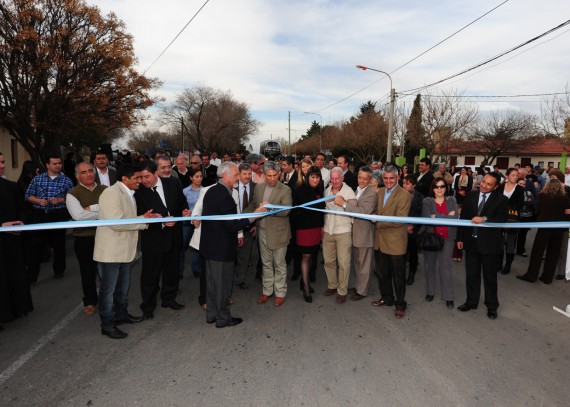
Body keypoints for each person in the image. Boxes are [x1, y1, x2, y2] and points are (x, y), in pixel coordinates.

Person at [94, 164, 158, 339]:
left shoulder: (130, 194)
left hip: (125, 251)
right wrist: (144, 221)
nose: (141, 181)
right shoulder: (110, 193)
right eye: (137, 178)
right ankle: (107, 324)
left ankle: (121, 315)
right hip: (111, 252)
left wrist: (144, 217)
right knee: (108, 290)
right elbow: (116, 222)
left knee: (122, 288)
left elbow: (127, 219)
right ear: (124, 179)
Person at [200, 162, 264, 327]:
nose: (238, 178)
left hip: (210, 247)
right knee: (222, 285)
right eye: (235, 175)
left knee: (213, 284)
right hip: (221, 249)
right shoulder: (224, 195)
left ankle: (212, 314)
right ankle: (223, 318)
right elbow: (233, 224)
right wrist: (254, 216)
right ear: (225, 175)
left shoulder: (212, 191)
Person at [134, 160, 190, 319]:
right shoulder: (138, 192)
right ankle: (147, 307)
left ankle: (169, 298)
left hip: (174, 236)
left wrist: (185, 211)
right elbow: (140, 216)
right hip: (153, 239)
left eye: (147, 176)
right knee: (150, 275)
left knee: (172, 271)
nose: (144, 180)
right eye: (141, 177)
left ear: (156, 173)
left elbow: (181, 202)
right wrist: (160, 222)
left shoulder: (173, 182)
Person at [456, 173, 508, 320]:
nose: (484, 185)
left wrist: (484, 219)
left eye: (489, 184)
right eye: (483, 181)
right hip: (471, 242)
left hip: (490, 245)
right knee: (471, 275)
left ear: (496, 186)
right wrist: (460, 238)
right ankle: (471, 301)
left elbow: (501, 219)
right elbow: (463, 218)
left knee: (490, 277)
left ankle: (492, 306)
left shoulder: (501, 200)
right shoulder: (471, 196)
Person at [246, 161, 292, 306]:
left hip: (279, 233)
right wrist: (241, 215)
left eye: (275, 175)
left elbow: (286, 210)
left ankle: (280, 292)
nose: (272, 178)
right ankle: (267, 291)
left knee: (279, 264)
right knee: (266, 263)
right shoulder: (259, 188)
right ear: (264, 175)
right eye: (269, 176)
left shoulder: (285, 190)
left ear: (279, 174)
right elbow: (254, 205)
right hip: (262, 231)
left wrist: (269, 208)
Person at [66, 163, 107, 316]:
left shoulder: (105, 190)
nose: (89, 174)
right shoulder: (72, 193)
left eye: (91, 171)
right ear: (77, 176)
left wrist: (92, 208)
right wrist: (102, 210)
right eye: (84, 172)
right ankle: (90, 301)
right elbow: (79, 216)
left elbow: (113, 209)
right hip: (84, 239)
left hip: (105, 237)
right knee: (87, 273)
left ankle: (108, 300)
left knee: (106, 272)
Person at [25, 153, 73, 282]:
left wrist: (60, 200)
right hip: (40, 215)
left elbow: (72, 198)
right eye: (55, 163)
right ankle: (31, 276)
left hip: (58, 214)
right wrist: (39, 201)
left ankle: (59, 271)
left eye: (59, 163)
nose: (58, 166)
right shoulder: (37, 179)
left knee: (59, 245)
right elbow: (28, 195)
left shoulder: (66, 181)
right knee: (36, 246)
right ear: (47, 165)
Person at [371, 165, 411, 319]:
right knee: (382, 273)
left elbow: (400, 220)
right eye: (385, 178)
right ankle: (387, 298)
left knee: (398, 277)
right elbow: (377, 211)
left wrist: (377, 221)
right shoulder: (379, 192)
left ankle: (400, 304)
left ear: (397, 177)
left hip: (396, 243)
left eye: (391, 178)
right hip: (380, 241)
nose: (388, 181)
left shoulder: (404, 195)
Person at [0, 152, 33, 326]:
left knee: (15, 274)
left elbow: (22, 209)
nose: (2, 166)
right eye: (0, 163)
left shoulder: (10, 186)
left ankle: (18, 307)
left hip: (12, 241)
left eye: (3, 161)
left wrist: (21, 223)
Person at [335, 166, 377, 301]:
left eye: (365, 178)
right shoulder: (357, 190)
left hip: (365, 234)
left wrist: (344, 205)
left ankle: (363, 291)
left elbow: (364, 211)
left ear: (370, 180)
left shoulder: (371, 193)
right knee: (357, 263)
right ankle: (359, 286)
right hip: (355, 231)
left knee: (364, 264)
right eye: (360, 177)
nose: (362, 181)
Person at [516, 179, 570, 284]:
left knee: (537, 252)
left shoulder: (542, 196)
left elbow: (537, 210)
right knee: (553, 253)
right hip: (559, 229)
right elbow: (568, 214)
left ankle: (531, 275)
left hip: (544, 227)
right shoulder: (565, 199)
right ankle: (547, 277)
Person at [421, 178, 459, 309]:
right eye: (436, 186)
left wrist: (435, 216)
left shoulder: (452, 200)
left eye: (442, 186)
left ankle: (448, 297)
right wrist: (447, 215)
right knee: (429, 266)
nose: (439, 189)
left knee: (446, 268)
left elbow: (455, 218)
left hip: (448, 238)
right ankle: (430, 292)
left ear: (446, 188)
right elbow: (427, 218)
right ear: (432, 188)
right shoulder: (427, 201)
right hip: (431, 237)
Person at [291, 166, 325, 302]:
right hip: (304, 229)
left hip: (316, 228)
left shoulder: (318, 189)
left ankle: (304, 281)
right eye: (312, 177)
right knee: (305, 257)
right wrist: (324, 204)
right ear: (307, 177)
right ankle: (305, 288)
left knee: (311, 256)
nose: (315, 180)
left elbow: (319, 211)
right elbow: (309, 208)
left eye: (317, 177)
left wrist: (322, 226)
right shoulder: (301, 189)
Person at [322, 167, 356, 303]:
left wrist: (343, 204)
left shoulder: (349, 192)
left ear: (343, 178)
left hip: (343, 231)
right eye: (332, 178)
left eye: (337, 178)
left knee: (343, 262)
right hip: (328, 230)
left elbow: (354, 211)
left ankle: (342, 290)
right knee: (328, 261)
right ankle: (332, 285)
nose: (334, 181)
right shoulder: (326, 191)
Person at [496, 168, 524, 275]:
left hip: (513, 219)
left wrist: (507, 205)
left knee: (510, 244)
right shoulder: (501, 187)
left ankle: (508, 265)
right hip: (499, 218)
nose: (515, 177)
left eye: (517, 175)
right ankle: (498, 263)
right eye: (513, 175)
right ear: (507, 176)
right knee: (499, 242)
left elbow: (520, 205)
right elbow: (495, 201)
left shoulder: (520, 189)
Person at [234, 163, 257, 290]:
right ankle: (228, 277)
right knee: (232, 255)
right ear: (239, 174)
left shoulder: (256, 188)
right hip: (233, 226)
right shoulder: (232, 187)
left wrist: (256, 225)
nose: (247, 176)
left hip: (249, 227)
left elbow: (259, 208)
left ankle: (240, 279)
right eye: (245, 174)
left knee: (244, 255)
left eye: (250, 174)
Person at [181, 167, 203, 279]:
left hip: (199, 223)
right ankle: (179, 271)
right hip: (186, 223)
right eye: (196, 176)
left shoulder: (205, 191)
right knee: (182, 247)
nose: (199, 179)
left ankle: (196, 269)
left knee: (197, 247)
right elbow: (181, 206)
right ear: (191, 178)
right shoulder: (184, 191)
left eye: (201, 176)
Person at [402, 174, 423, 285]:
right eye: (403, 183)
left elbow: (422, 214)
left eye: (407, 184)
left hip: (413, 231)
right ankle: (400, 273)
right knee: (401, 253)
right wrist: (404, 225)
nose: (404, 186)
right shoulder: (398, 195)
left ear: (414, 185)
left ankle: (411, 274)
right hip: (401, 228)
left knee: (413, 253)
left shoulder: (419, 197)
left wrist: (412, 225)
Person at [515, 178, 535, 257]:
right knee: (512, 235)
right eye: (521, 184)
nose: (522, 185)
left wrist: (521, 202)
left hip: (526, 217)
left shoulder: (528, 192)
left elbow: (531, 202)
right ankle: (510, 251)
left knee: (523, 235)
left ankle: (520, 250)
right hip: (515, 217)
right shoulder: (513, 192)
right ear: (517, 183)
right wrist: (524, 202)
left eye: (524, 184)